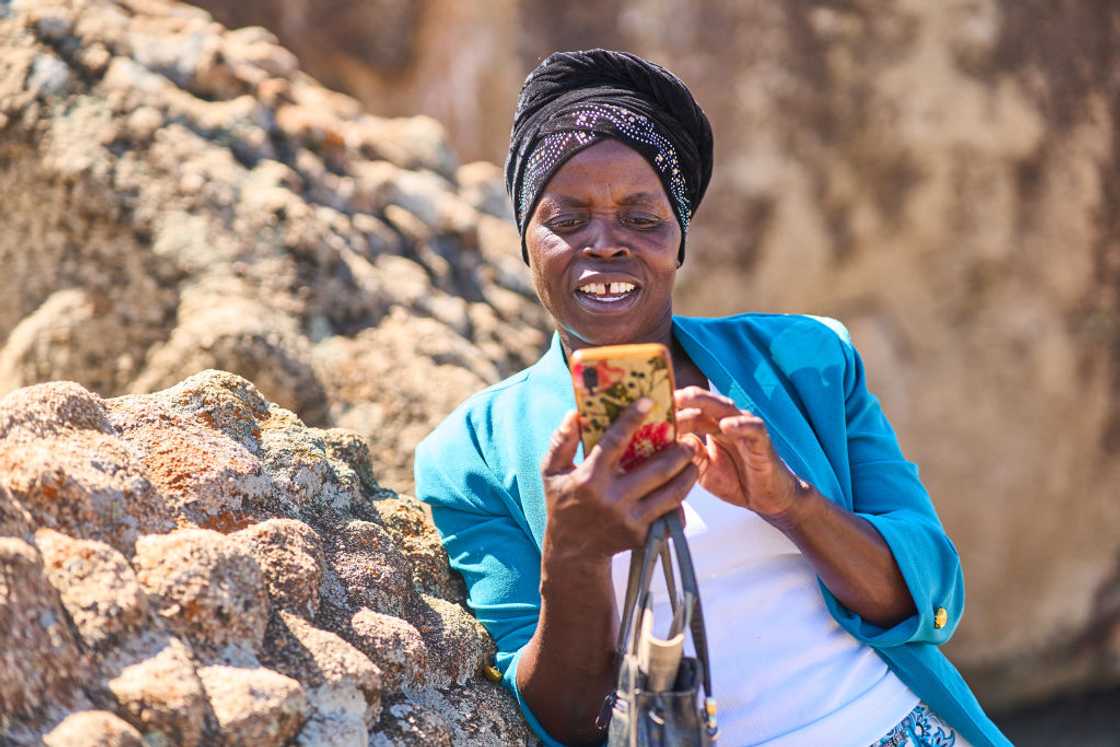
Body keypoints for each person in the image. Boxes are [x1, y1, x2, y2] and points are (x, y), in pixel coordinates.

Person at [414, 49, 1010, 747]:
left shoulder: (807, 358)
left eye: (642, 218)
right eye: (567, 220)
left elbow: (929, 589)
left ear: (679, 241)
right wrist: (573, 557)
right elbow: (562, 724)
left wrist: (789, 502)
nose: (605, 245)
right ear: (526, 239)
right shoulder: (472, 456)